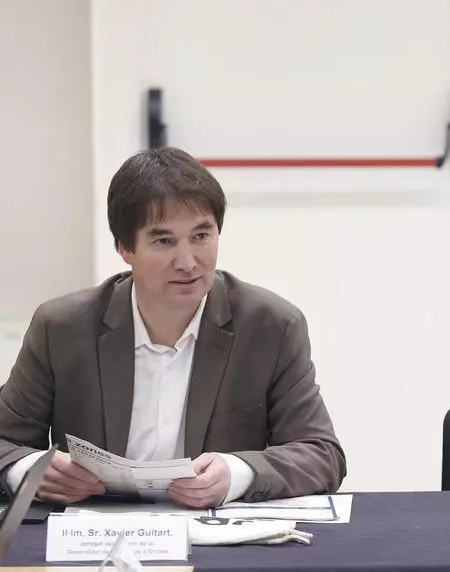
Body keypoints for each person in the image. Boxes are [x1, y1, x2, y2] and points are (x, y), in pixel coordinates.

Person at [0, 148, 346, 507]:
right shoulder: (62, 328)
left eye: (201, 236)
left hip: (213, 533)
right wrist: (28, 470)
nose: (187, 262)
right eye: (163, 241)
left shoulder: (271, 326)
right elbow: (4, 443)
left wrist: (237, 472)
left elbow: (321, 454)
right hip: (92, 530)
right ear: (125, 248)